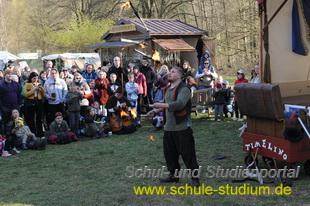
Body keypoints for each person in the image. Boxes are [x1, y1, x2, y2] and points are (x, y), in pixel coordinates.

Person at [147, 67, 200, 187]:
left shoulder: (184, 89)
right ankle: (173, 176)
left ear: (180, 76)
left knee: (188, 155)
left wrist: (160, 104)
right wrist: (156, 110)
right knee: (170, 155)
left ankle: (195, 178)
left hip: (182, 129)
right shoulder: (168, 89)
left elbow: (179, 104)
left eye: (173, 72)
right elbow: (168, 104)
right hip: (169, 128)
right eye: (170, 72)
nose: (170, 74)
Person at [24, 72, 45, 137]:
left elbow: (42, 95)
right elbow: (26, 94)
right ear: (31, 78)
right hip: (31, 102)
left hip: (39, 101)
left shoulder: (39, 84)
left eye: (36, 78)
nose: (35, 80)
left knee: (39, 117)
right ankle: (33, 132)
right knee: (31, 118)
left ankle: (40, 133)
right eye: (33, 78)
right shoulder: (27, 85)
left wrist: (41, 89)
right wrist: (34, 90)